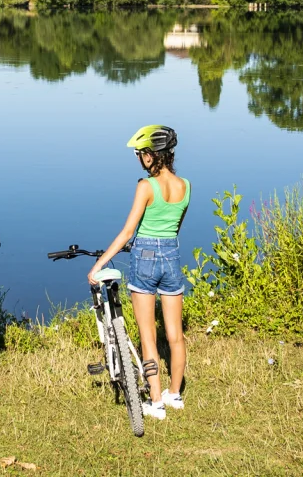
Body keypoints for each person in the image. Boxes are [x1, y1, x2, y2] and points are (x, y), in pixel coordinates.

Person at [88, 124, 191, 421]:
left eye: (140, 154)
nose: (139, 159)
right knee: (175, 334)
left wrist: (100, 264)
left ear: (150, 156)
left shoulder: (146, 186)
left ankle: (156, 402)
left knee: (148, 335)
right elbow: (176, 227)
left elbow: (128, 231)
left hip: (145, 256)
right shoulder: (185, 186)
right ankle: (175, 394)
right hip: (172, 255)